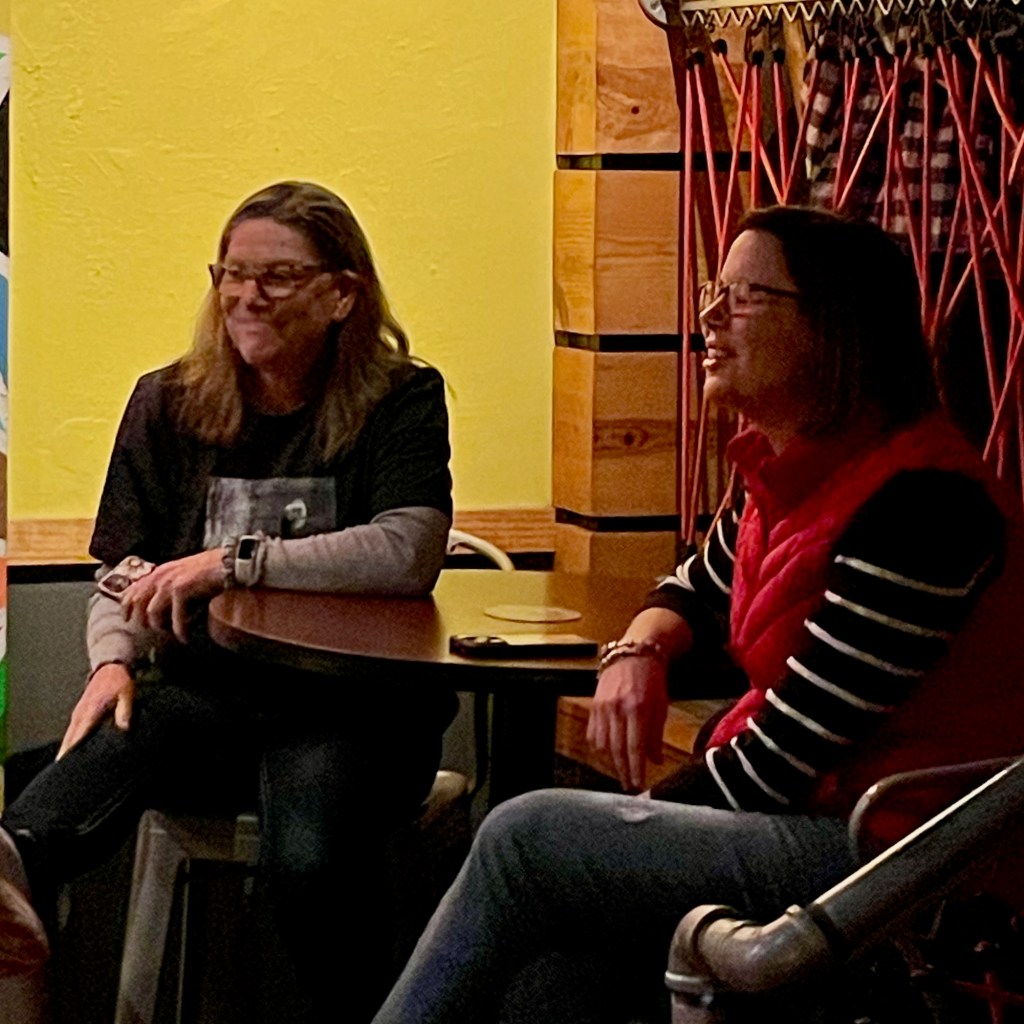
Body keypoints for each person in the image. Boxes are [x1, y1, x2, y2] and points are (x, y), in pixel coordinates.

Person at [371, 206, 1024, 1024]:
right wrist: (639, 652)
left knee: (525, 835)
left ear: (835, 329)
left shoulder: (925, 509)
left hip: (900, 852)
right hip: (815, 821)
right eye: (717, 289)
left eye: (746, 296)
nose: (710, 315)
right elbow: (691, 586)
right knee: (559, 978)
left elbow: (782, 762)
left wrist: (638, 816)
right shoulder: (786, 471)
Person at [1, 181, 456, 1021]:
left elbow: (407, 551)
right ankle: (13, 874)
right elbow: (125, 569)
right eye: (232, 274)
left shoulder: (400, 398)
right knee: (56, 788)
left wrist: (232, 562)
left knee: (309, 857)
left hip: (357, 710)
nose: (247, 295)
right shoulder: (167, 400)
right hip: (211, 698)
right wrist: (111, 661)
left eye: (276, 276)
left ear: (342, 294)